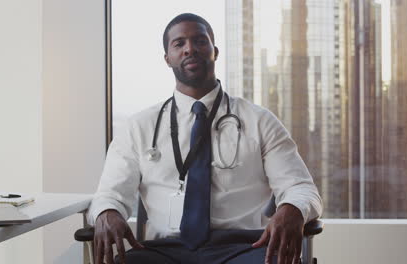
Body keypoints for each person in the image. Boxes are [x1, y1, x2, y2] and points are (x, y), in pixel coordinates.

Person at [88, 13, 322, 264]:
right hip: (163, 250)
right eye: (179, 44)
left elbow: (300, 188)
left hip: (245, 247)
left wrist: (292, 209)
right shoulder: (137, 127)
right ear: (167, 59)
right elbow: (109, 194)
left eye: (200, 41)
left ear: (215, 51)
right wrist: (107, 212)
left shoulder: (260, 121)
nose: (190, 49)